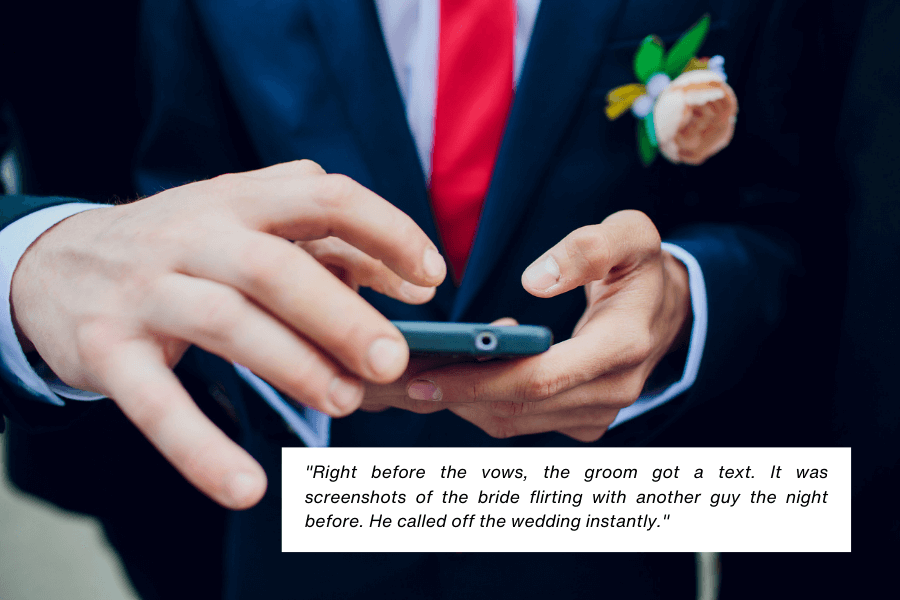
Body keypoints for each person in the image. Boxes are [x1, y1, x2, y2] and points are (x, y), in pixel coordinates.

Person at [0, 1, 844, 598]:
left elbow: (786, 213)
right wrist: (271, 339)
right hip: (296, 522)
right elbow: (176, 191)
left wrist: (682, 301)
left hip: (596, 527)